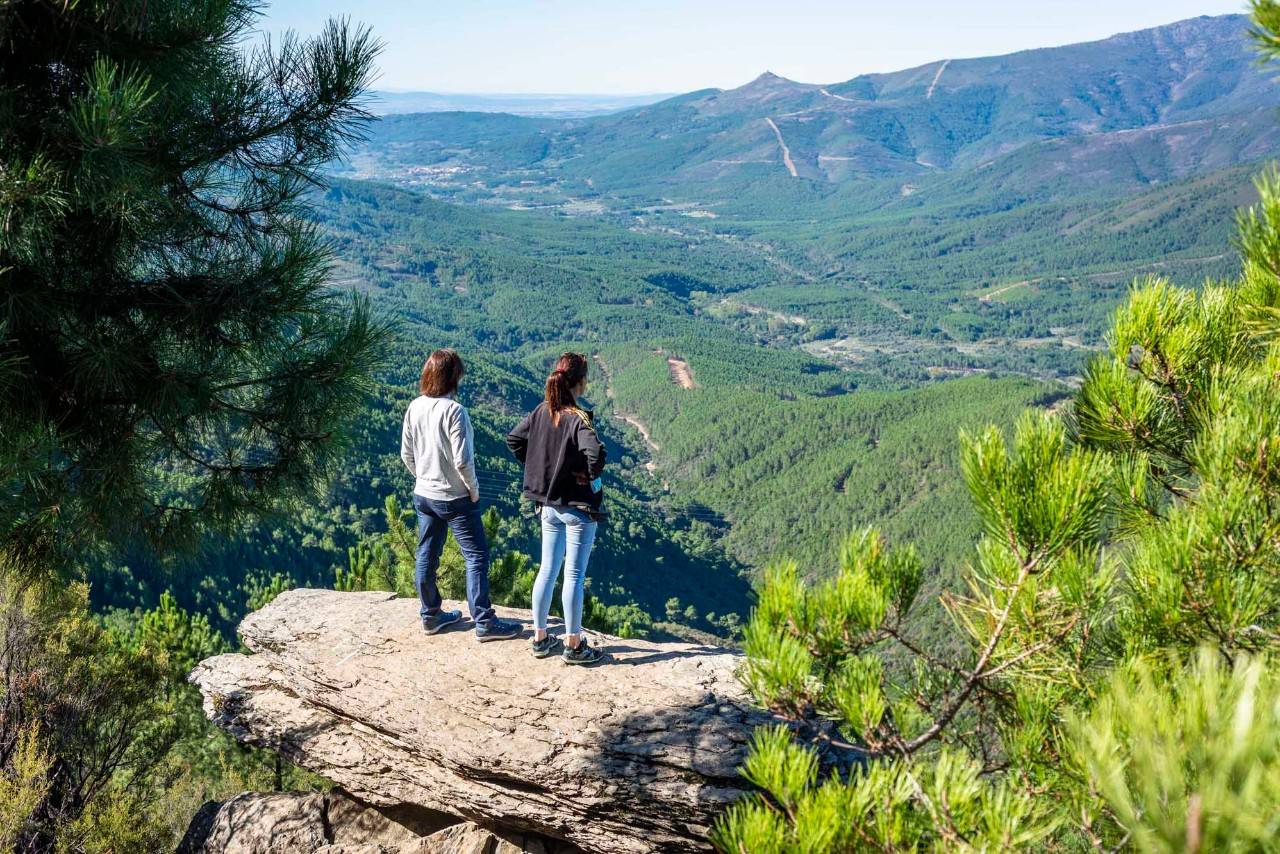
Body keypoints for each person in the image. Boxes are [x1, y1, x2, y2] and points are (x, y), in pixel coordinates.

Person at [401, 349, 522, 641]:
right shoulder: (455, 411)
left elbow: (406, 453)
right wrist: (473, 491)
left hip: (424, 494)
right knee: (476, 556)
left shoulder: (414, 406)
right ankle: (484, 621)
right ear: (453, 377)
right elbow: (463, 461)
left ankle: (431, 615)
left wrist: (423, 477)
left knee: (427, 553)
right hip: (454, 496)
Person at [506, 353, 608, 665]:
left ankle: (539, 638)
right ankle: (574, 645)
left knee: (547, 570)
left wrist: (539, 470)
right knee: (574, 575)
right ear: (580, 382)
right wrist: (586, 477)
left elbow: (514, 440)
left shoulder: (542, 411)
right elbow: (597, 454)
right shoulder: (578, 418)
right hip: (576, 508)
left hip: (547, 506)